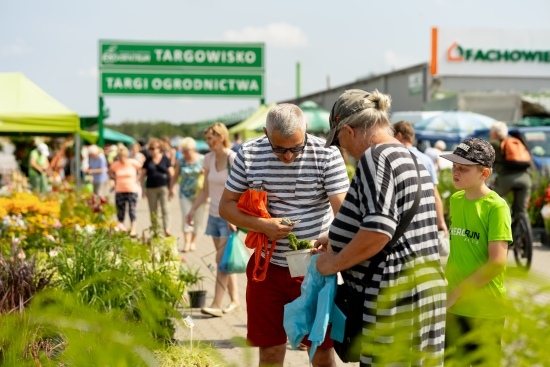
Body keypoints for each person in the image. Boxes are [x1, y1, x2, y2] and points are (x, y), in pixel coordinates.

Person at [315, 89, 446, 366]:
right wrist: (337, 236)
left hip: (394, 298)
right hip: (424, 290)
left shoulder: (375, 158)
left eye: (339, 141)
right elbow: (393, 221)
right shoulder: (410, 156)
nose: (343, 150)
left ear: (349, 131)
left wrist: (334, 262)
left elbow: (379, 230)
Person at [219, 104, 349, 367]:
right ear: (266, 133)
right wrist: (260, 225)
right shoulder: (250, 153)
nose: (288, 156)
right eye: (279, 149)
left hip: (314, 269)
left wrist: (329, 243)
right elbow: (226, 206)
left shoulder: (326, 154)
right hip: (267, 270)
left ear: (306, 131)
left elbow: (344, 214)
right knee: (270, 352)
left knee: (321, 352)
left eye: (295, 148)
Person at [440, 138, 512, 364]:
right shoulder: (456, 200)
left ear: (485, 173)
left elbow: (497, 263)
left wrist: (456, 293)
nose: (455, 172)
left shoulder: (496, 207)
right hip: (454, 307)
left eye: (463, 168)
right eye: (454, 166)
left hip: (484, 311)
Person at [187, 123, 240, 318]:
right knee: (226, 261)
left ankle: (216, 304)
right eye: (207, 138)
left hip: (229, 218)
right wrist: (192, 209)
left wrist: (235, 216)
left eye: (211, 138)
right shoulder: (208, 159)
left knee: (221, 262)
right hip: (213, 216)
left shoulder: (232, 158)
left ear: (221, 137)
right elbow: (206, 190)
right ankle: (235, 300)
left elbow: (243, 190)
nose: (208, 142)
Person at [394, 121, 449, 238]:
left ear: (398, 136)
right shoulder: (426, 159)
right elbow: (435, 194)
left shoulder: (392, 157)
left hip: (398, 222)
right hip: (423, 221)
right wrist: (441, 222)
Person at [489, 121, 532, 232]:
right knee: (521, 211)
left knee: (493, 201)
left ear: (495, 133)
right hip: (525, 179)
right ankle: (523, 233)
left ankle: (500, 226)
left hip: (506, 179)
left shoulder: (494, 144)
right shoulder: (517, 141)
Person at [173, 137, 207, 252]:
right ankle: (186, 242)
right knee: (186, 216)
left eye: (186, 150)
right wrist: (171, 188)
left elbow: (209, 174)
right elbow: (175, 175)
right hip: (184, 194)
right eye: (183, 150)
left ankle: (193, 241)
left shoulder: (202, 159)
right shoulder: (181, 161)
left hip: (199, 194)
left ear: (193, 149)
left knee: (198, 218)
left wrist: (204, 172)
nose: (184, 153)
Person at [141, 138, 175, 237]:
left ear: (159, 148)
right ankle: (156, 230)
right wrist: (143, 189)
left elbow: (171, 174)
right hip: (151, 188)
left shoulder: (165, 159)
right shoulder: (148, 160)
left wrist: (172, 188)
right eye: (150, 149)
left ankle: (166, 228)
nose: (152, 151)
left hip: (163, 187)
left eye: (154, 148)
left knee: (165, 208)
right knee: (153, 210)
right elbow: (142, 176)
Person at [109, 146, 143, 235]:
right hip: (119, 189)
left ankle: (133, 229)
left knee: (132, 209)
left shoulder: (132, 162)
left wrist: (138, 178)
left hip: (131, 189)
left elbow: (142, 169)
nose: (121, 158)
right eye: (119, 156)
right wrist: (114, 178)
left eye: (123, 156)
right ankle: (121, 227)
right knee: (120, 210)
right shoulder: (116, 164)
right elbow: (109, 172)